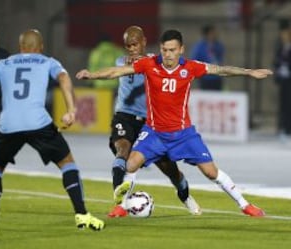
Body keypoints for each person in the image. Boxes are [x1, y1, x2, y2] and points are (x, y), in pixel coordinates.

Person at [76, 29, 273, 217]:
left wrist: (249, 72)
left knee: (211, 172)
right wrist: (92, 74)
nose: (168, 55)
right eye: (164, 50)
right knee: (131, 164)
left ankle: (245, 205)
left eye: (172, 50)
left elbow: (220, 70)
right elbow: (116, 72)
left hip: (183, 134)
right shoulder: (149, 64)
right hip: (154, 133)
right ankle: (121, 206)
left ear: (181, 50)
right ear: (160, 49)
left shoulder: (190, 67)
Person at [0, 29, 105, 234]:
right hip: (38, 123)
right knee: (67, 163)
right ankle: (82, 214)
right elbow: (63, 77)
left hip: (8, 124)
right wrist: (71, 110)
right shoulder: (47, 61)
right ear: (40, 47)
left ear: (20, 47)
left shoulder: (4, 63)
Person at [107, 26, 201, 218]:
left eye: (135, 44)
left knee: (171, 171)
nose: (131, 48)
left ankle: (185, 196)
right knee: (122, 151)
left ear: (143, 41)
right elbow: (122, 68)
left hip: (151, 124)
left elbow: (159, 65)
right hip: (124, 117)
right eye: (128, 45)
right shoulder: (121, 61)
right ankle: (120, 202)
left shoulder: (155, 62)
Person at [190, 24, 225, 91]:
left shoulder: (218, 45)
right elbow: (194, 59)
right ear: (207, 34)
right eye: (212, 33)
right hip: (205, 78)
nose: (215, 35)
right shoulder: (199, 46)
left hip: (217, 77)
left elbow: (220, 56)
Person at [273, 19, 291, 139]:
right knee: (284, 104)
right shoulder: (281, 47)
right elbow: (276, 62)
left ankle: (288, 129)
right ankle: (284, 128)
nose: (283, 36)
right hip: (284, 80)